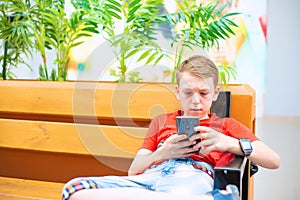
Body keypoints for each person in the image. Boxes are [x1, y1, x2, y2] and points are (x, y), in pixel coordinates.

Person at [62, 55, 280, 200]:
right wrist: (163, 152)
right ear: (177, 91)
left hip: (192, 178)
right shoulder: (161, 121)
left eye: (203, 93)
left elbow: (273, 160)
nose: (196, 101)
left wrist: (227, 142)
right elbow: (133, 169)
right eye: (188, 93)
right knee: (74, 189)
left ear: (215, 93)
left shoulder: (226, 125)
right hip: (148, 179)